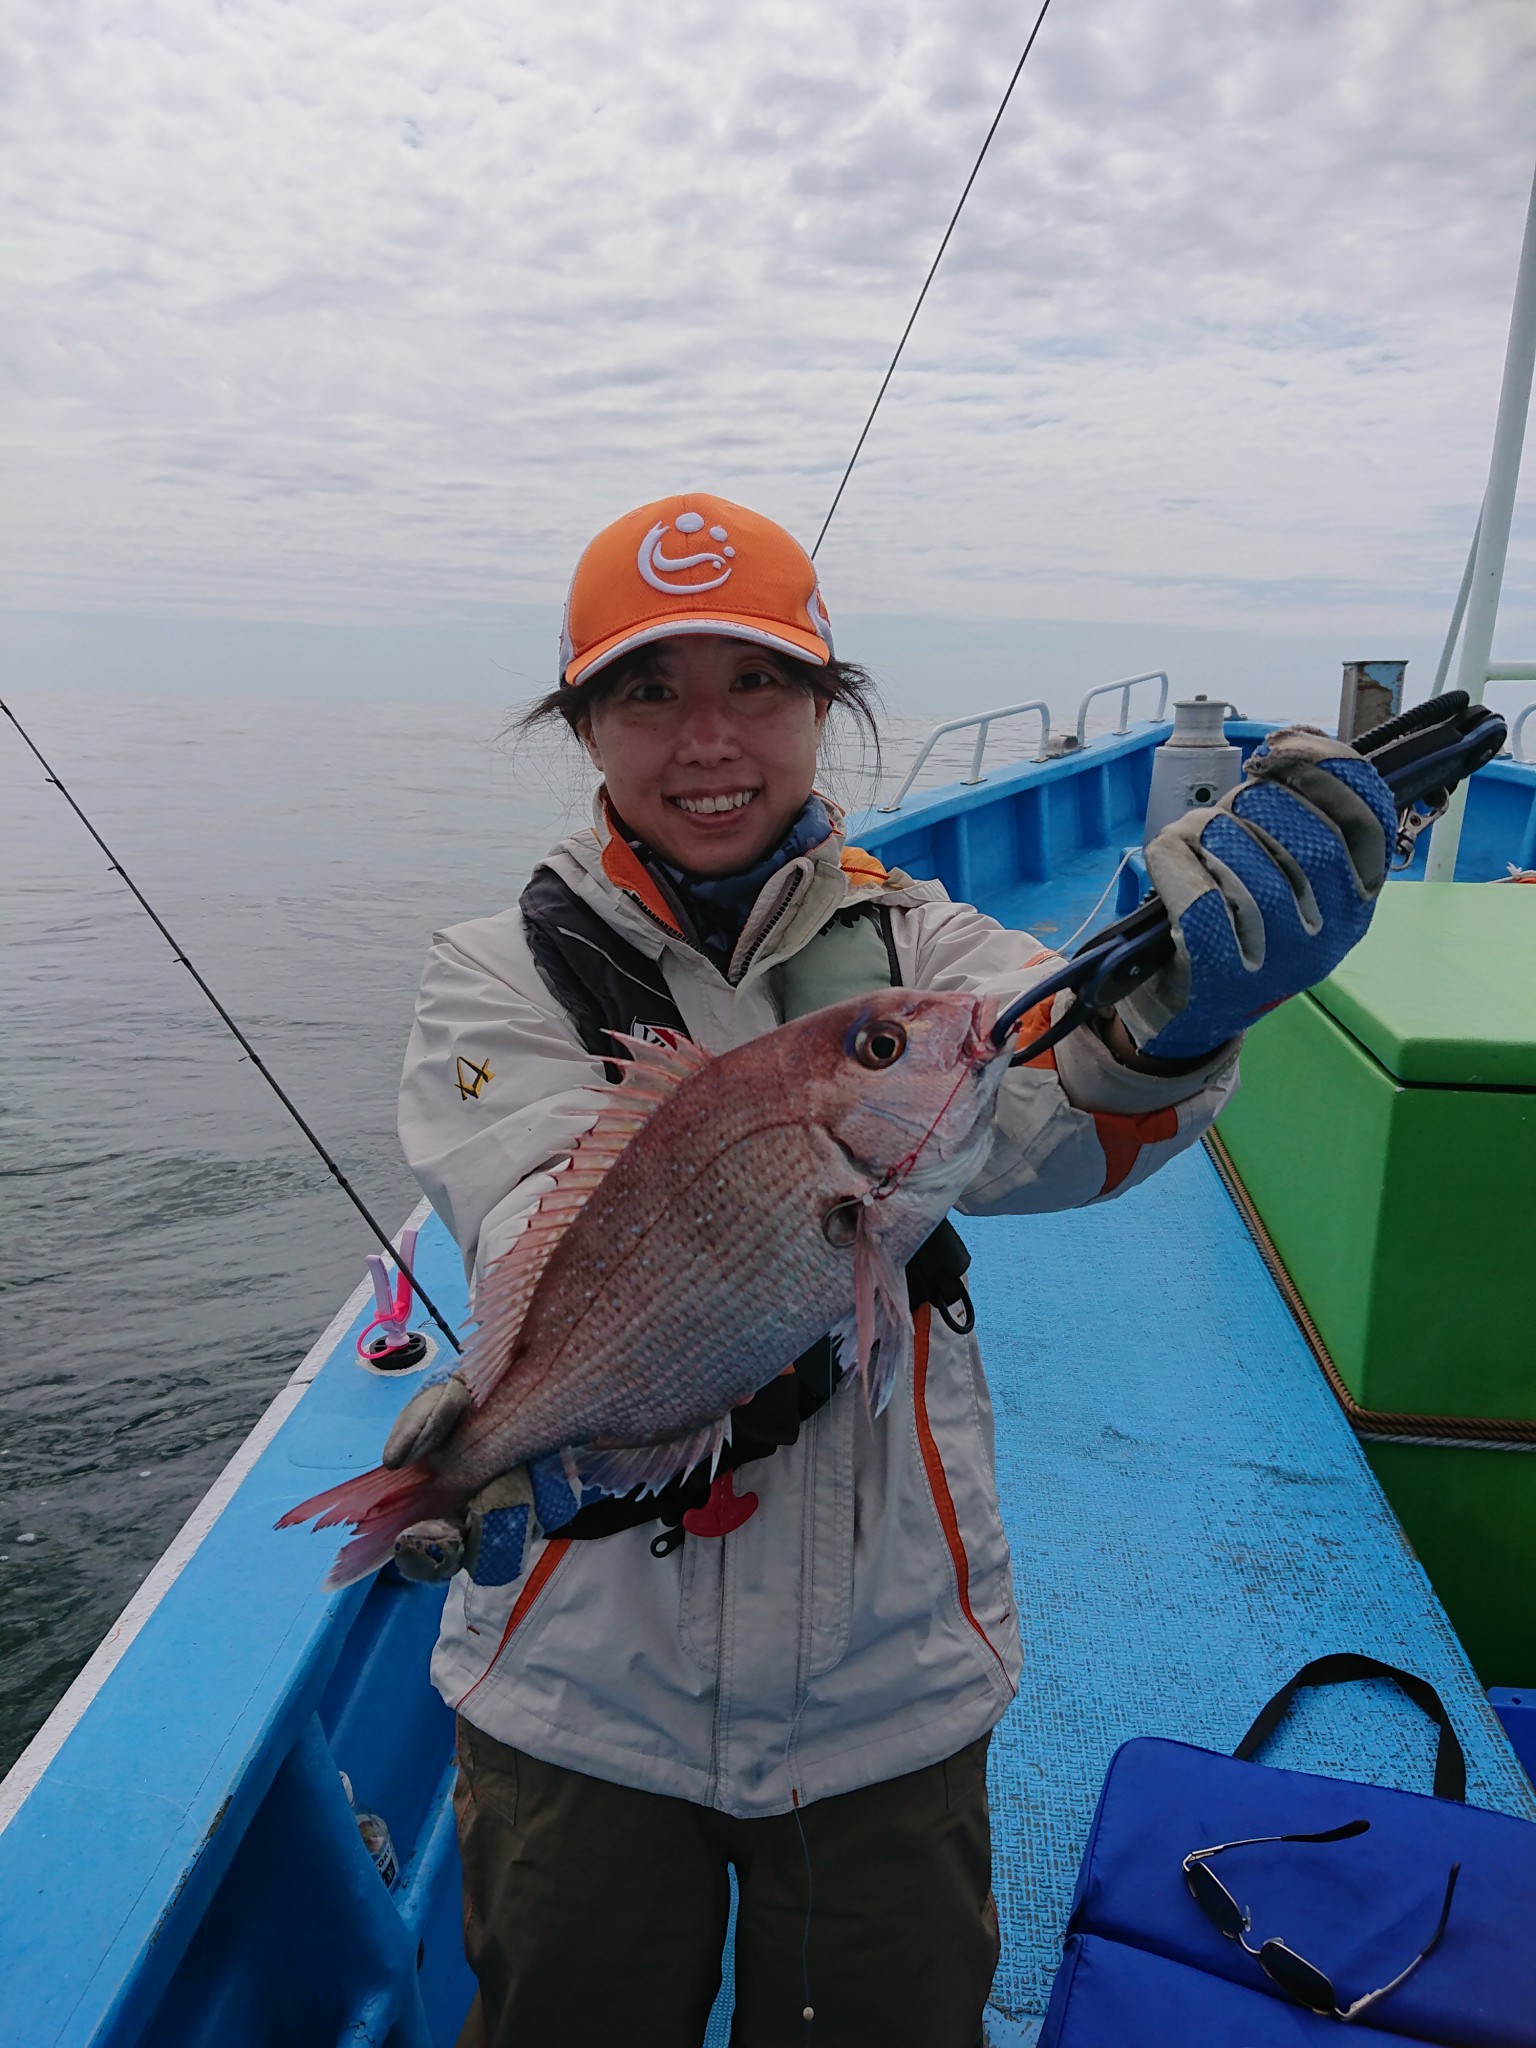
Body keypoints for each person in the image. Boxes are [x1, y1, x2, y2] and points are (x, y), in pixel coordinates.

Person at [395, 493, 1395, 2048]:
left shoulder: (926, 952)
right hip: (577, 1689)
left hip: (885, 1685)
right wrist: (544, 1400)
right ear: (585, 726)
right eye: (649, 693)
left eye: (759, 684)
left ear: (823, 707)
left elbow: (1056, 1106)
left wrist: (1177, 1022)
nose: (709, 739)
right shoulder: (494, 970)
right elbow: (526, 1199)